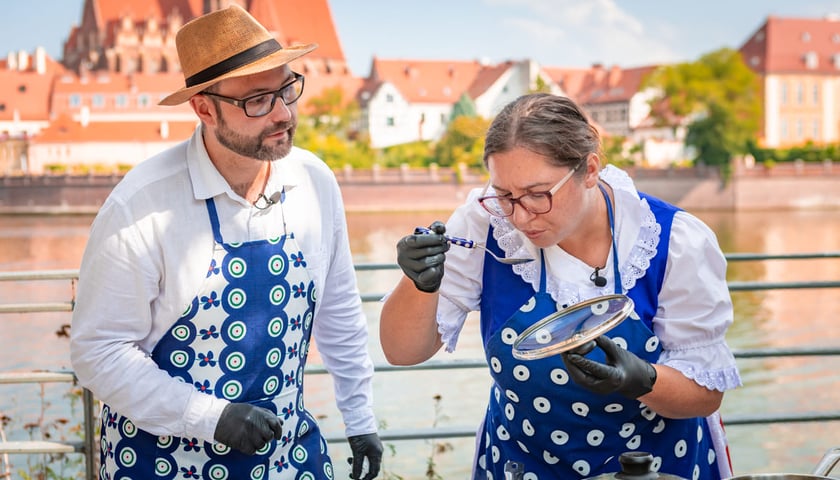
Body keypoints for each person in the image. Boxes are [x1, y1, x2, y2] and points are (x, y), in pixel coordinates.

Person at [69, 5, 382, 479]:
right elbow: (98, 352)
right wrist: (209, 417)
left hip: (284, 456)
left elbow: (338, 311)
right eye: (257, 100)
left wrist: (359, 420)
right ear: (204, 108)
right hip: (163, 462)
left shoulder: (315, 182)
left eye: (285, 90)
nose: (282, 114)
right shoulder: (141, 205)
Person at [380, 93, 741, 479]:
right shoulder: (484, 224)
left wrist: (642, 380)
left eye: (538, 195)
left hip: (656, 468)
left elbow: (705, 395)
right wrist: (419, 283)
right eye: (505, 195)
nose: (519, 216)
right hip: (522, 465)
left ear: (589, 170)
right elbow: (402, 352)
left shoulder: (673, 241)